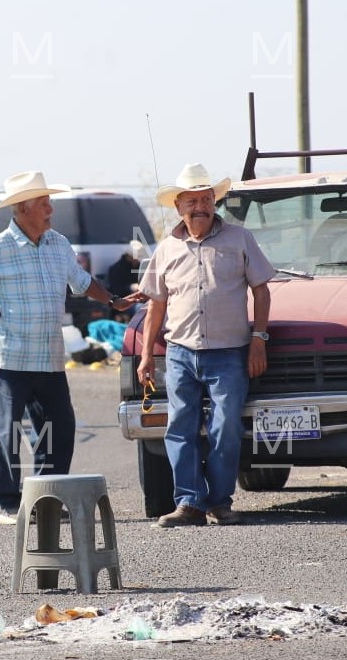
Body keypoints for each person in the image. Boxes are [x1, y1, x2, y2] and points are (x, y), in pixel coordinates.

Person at [0, 171, 135, 525]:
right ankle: (7, 503)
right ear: (22, 208)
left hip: (48, 357)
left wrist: (114, 300)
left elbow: (81, 283)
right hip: (10, 356)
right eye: (43, 202)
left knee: (59, 427)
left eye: (49, 201)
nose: (50, 208)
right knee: (8, 430)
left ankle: (48, 498)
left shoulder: (58, 244)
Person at [136, 163, 275, 528]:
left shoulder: (239, 238)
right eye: (192, 200)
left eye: (206, 199)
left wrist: (259, 340)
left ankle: (220, 502)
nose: (200, 206)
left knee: (226, 426)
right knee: (179, 427)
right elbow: (156, 305)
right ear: (178, 205)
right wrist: (147, 354)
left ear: (215, 201)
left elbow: (262, 290)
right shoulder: (165, 248)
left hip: (230, 352)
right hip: (181, 352)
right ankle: (188, 503)